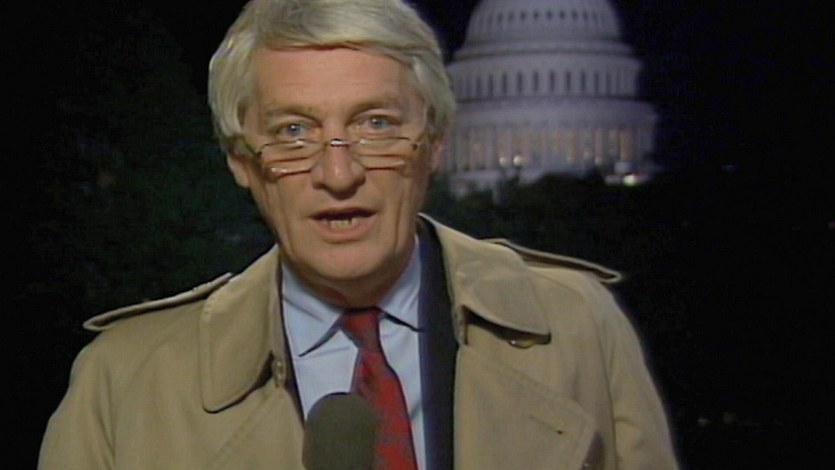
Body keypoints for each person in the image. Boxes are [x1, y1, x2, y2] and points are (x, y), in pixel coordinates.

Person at [39, 0, 679, 468]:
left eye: (376, 125)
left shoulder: (578, 329)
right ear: (242, 162)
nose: (338, 174)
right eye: (293, 132)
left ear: (434, 143)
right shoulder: (124, 381)